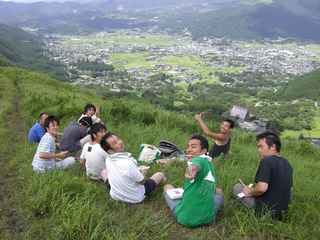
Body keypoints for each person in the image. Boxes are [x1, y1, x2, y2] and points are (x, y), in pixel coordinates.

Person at [163, 134, 224, 228]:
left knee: (167, 187)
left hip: (186, 219)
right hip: (209, 218)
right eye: (188, 146)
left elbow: (195, 166)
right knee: (218, 191)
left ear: (203, 151)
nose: (189, 149)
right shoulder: (208, 161)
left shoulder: (197, 161)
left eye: (193, 147)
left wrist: (191, 170)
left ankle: (182, 209)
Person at [233, 131, 293, 220]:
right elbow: (290, 190)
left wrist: (249, 192)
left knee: (237, 187)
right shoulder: (287, 164)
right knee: (253, 187)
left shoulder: (267, 161)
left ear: (273, 147)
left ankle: (242, 206)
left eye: (261, 146)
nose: (259, 150)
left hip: (264, 211)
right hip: (281, 212)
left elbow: (261, 188)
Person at [100, 133, 166, 204]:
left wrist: (137, 170)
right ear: (110, 150)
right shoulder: (128, 163)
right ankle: (165, 188)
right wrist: (144, 172)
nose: (120, 142)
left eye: (118, 139)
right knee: (160, 175)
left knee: (104, 171)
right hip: (135, 198)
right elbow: (142, 182)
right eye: (115, 143)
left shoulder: (108, 159)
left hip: (115, 195)